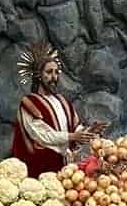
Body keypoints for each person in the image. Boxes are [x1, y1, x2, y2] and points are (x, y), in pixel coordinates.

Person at [11, 42, 105, 176]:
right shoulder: (29, 103)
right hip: (40, 167)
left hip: (64, 168)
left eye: (56, 72)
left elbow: (75, 128)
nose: (54, 77)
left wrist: (89, 132)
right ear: (38, 75)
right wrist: (72, 136)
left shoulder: (62, 101)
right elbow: (41, 135)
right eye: (49, 72)